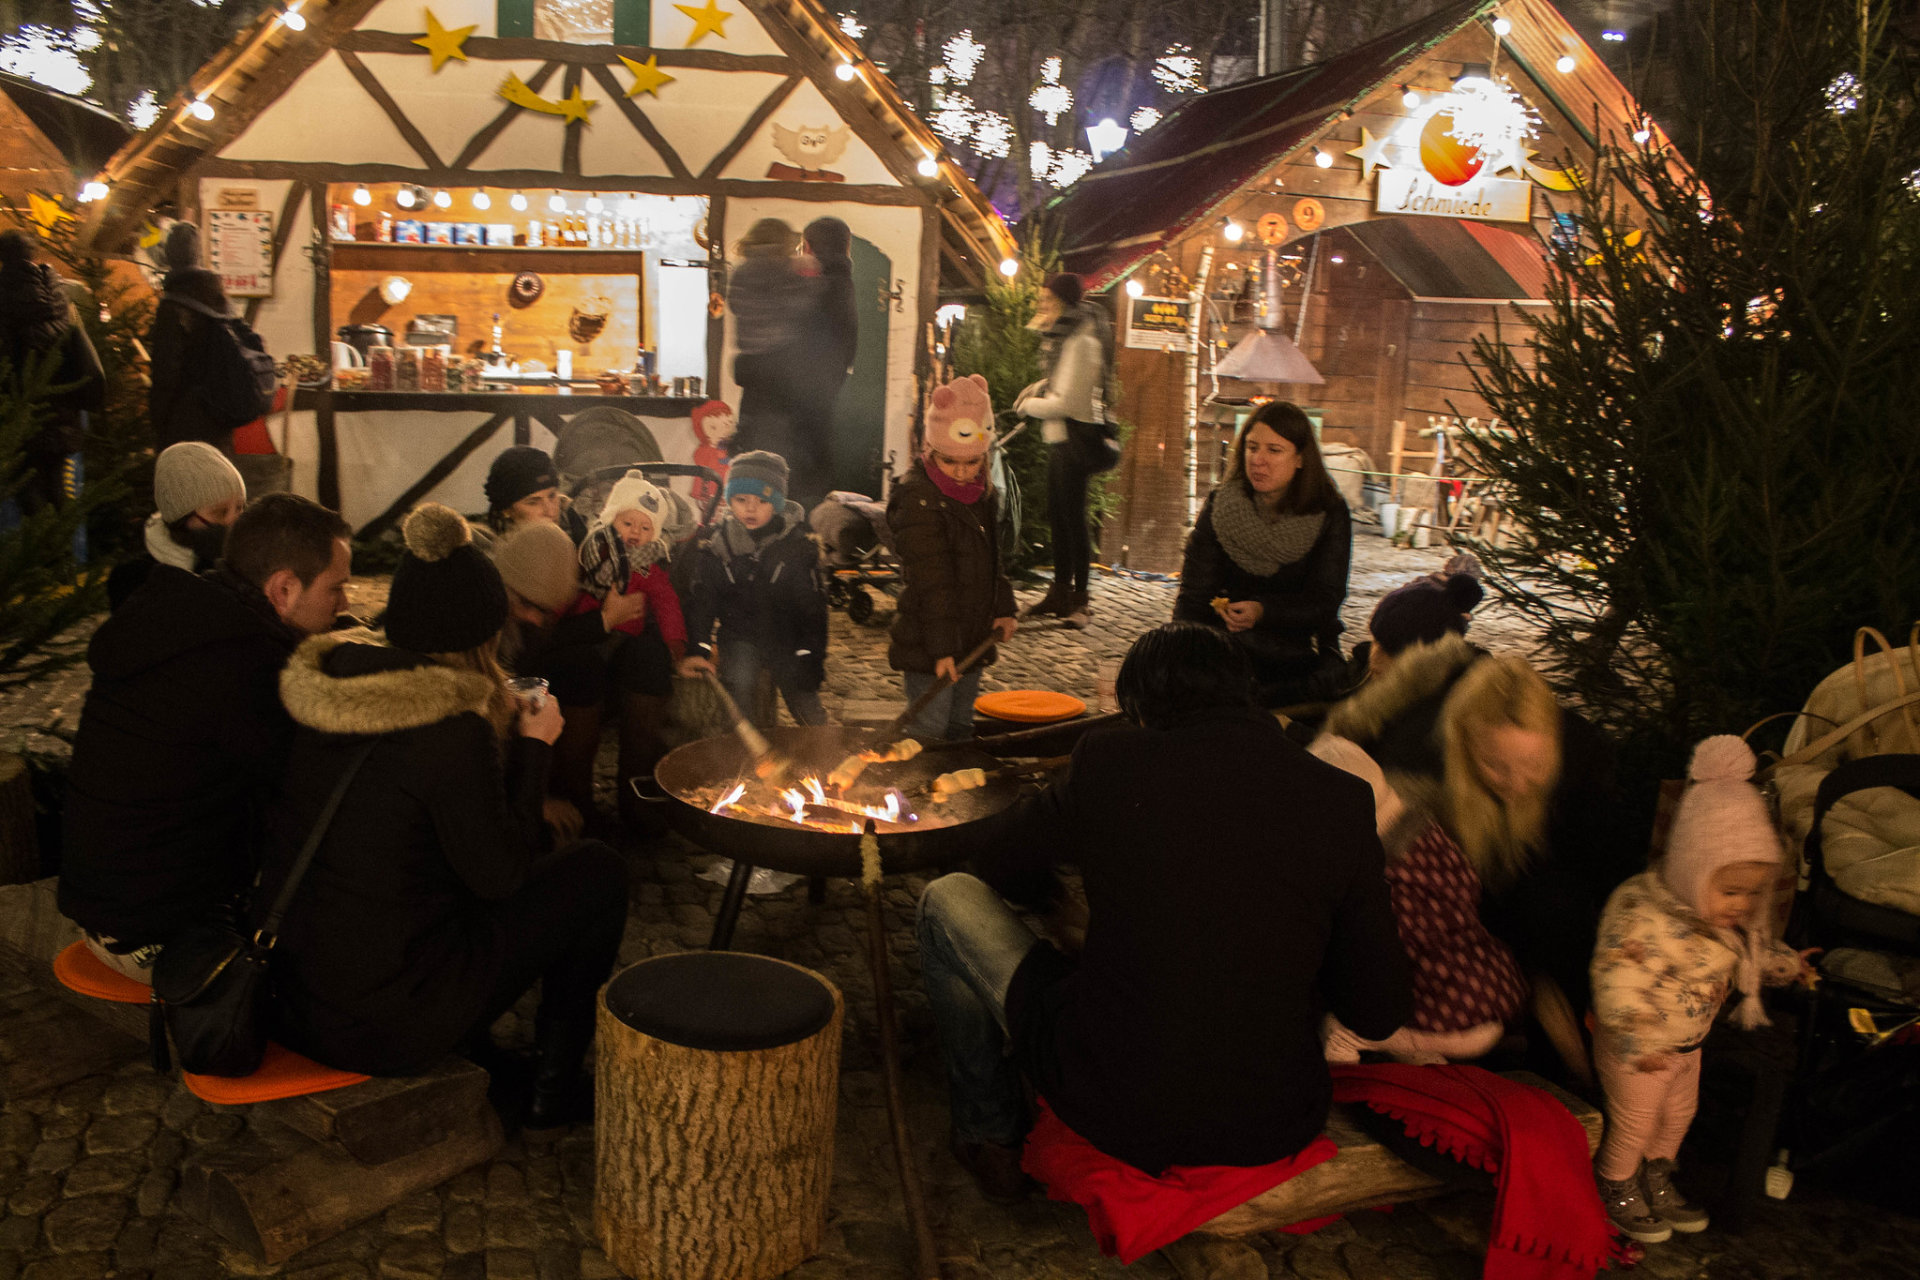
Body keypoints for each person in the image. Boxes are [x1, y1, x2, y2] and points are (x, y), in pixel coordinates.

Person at [916, 623, 1410, 1200]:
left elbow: (999, 853)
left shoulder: (1111, 759)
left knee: (946, 899)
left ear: (1141, 711)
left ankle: (988, 1131)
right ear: (1244, 694)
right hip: (1272, 1120)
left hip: (1117, 1099)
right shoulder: (1340, 799)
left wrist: (1057, 907)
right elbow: (1378, 1010)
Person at [263, 503, 628, 1127]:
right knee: (597, 873)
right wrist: (537, 748)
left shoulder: (335, 692)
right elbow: (502, 874)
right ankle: (550, 1087)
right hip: (379, 1021)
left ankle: (485, 1046)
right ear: (481, 637)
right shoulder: (448, 731)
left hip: (294, 993)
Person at [59, 492, 352, 982]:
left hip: (102, 905)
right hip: (158, 937)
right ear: (283, 589)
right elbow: (311, 787)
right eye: (336, 589)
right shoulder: (246, 664)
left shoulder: (186, 618)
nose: (345, 605)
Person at [1321, 629, 1638, 1043]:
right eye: (1495, 765)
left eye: (1532, 765)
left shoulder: (1584, 760)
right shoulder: (1420, 770)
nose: (1516, 783)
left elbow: (1605, 868)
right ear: (1465, 744)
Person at [1589, 736, 1809, 1242]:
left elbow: (1752, 953)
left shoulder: (1726, 923)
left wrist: (1790, 965)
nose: (1740, 904)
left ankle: (1655, 1178)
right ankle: (1613, 1184)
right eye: (1729, 890)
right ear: (1692, 869)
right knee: (1637, 1121)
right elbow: (1617, 978)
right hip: (1636, 1047)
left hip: (1687, 1045)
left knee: (1679, 1115)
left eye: (1752, 892)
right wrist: (1639, 1038)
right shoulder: (1643, 913)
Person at [1311, 735, 1526, 1064]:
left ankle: (1394, 1047)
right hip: (1491, 991)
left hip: (1441, 1007)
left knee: (1342, 1020)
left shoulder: (1377, 870)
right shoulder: (1431, 836)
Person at [1173, 401, 1351, 706]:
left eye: (1274, 450)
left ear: (1300, 458)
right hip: (1226, 646)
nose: (1258, 460)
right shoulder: (1223, 506)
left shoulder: (1327, 512)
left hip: (1299, 651)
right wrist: (1181, 650)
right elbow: (1194, 594)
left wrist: (1263, 611)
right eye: (1252, 447)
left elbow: (1325, 600)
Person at [887, 374, 1016, 742]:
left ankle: (958, 795)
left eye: (973, 462)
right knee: (930, 729)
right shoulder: (918, 500)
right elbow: (931, 581)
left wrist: (1003, 607)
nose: (962, 472)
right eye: (950, 462)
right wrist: (942, 650)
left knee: (960, 726)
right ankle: (920, 795)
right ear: (930, 449)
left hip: (973, 636)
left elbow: (993, 560)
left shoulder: (982, 494)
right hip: (930, 642)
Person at [677, 450, 828, 727]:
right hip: (740, 635)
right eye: (741, 499)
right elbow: (703, 601)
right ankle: (744, 755)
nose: (750, 508)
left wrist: (811, 654)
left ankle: (826, 753)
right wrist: (698, 647)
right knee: (739, 686)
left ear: (777, 503)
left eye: (761, 501)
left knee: (804, 697)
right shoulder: (719, 546)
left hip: (788, 637)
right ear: (729, 500)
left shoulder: (796, 547)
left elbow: (812, 607)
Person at [573, 471, 685, 823]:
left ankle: (636, 791)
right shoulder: (592, 555)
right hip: (589, 634)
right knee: (584, 670)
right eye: (627, 523)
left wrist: (675, 641)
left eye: (645, 527)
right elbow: (574, 593)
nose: (635, 533)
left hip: (627, 639)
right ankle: (576, 795)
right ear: (610, 520)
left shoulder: (650, 569)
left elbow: (667, 604)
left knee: (647, 668)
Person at [1016, 273, 1116, 630]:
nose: (1042, 305)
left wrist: (1031, 405)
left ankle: (1080, 601)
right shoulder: (1065, 336)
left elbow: (1069, 402)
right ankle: (1059, 593)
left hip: (1078, 439)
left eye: (1047, 298)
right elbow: (1062, 383)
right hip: (1062, 440)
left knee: (1073, 522)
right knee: (1060, 518)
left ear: (1062, 301)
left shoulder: (1081, 341)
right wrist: (1041, 386)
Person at [145, 222, 272, 455]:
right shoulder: (219, 299)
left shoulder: (172, 306)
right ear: (198, 254)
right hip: (218, 417)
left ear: (169, 255)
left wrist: (157, 420)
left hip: (182, 423)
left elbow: (165, 374)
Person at [0, 229, 104, 513]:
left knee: (27, 488)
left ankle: (40, 553)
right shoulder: (57, 289)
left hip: (24, 412)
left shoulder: (5, 294)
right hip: (64, 408)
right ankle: (62, 550)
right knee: (59, 486)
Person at [106, 441, 248, 609]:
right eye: (220, 512)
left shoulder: (248, 564)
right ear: (182, 517)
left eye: (240, 508)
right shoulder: (133, 578)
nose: (234, 521)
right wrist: (210, 567)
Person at [728, 219, 813, 489]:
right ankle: (775, 503)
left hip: (750, 366)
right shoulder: (786, 272)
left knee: (752, 439)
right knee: (781, 448)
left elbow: (735, 306)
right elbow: (803, 308)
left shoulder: (741, 272)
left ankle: (748, 499)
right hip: (780, 365)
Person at [785, 216, 857, 505]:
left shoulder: (820, 285)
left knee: (803, 474)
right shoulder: (843, 282)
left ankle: (805, 535)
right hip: (824, 391)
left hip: (806, 393)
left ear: (809, 247)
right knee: (817, 463)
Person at [483, 444, 587, 543]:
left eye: (552, 496)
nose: (551, 512)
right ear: (507, 511)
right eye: (533, 502)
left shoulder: (582, 530)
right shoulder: (486, 554)